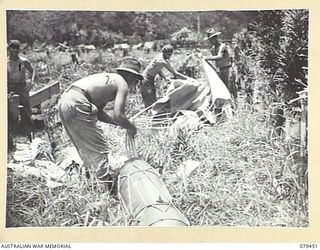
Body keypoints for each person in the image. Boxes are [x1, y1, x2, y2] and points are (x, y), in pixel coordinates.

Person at [57, 57, 143, 186]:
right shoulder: (122, 84)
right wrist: (131, 127)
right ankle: (104, 186)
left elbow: (100, 114)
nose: (135, 84)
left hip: (66, 99)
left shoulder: (108, 80)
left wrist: (119, 125)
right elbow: (118, 114)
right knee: (99, 147)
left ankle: (93, 180)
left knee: (84, 146)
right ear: (130, 76)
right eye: (135, 80)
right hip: (78, 101)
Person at [7, 39, 35, 134]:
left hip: (21, 87)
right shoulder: (5, 62)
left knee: (25, 107)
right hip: (9, 87)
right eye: (13, 48)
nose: (15, 50)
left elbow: (32, 71)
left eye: (17, 48)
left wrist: (30, 81)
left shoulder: (23, 61)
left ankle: (27, 128)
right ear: (9, 49)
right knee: (8, 109)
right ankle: (11, 129)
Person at [203, 28, 236, 100]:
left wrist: (207, 58)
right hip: (220, 71)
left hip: (227, 70)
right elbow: (215, 61)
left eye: (213, 39)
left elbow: (220, 57)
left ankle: (234, 107)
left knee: (230, 90)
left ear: (216, 38)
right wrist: (215, 70)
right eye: (210, 40)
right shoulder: (213, 48)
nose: (211, 41)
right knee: (222, 90)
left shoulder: (222, 46)